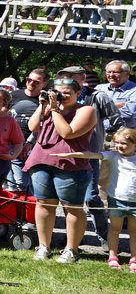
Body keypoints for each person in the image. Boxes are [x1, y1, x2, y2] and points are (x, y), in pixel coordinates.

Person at [25, 78, 97, 263]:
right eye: (58, 92)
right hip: (42, 161)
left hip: (71, 165)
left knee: (71, 207)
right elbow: (33, 127)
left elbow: (67, 132)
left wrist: (55, 109)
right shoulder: (50, 108)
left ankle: (71, 249)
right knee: (43, 204)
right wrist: (42, 106)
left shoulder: (86, 110)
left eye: (66, 93)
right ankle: (43, 247)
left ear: (78, 93)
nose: (61, 96)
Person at [51, 127, 136, 273]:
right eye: (116, 143)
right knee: (115, 229)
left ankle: (134, 258)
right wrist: (71, 154)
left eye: (123, 143)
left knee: (134, 232)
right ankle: (113, 256)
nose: (118, 146)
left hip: (134, 202)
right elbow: (92, 154)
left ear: (135, 144)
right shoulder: (113, 156)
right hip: (116, 200)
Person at [57, 65, 124, 249]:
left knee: (92, 197)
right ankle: (74, 240)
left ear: (82, 77)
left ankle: (104, 238)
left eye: (71, 76)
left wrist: (105, 135)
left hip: (89, 154)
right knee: (67, 199)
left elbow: (117, 119)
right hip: (64, 153)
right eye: (64, 77)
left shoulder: (97, 96)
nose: (67, 80)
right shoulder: (60, 97)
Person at [7, 68, 50, 193]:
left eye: (36, 82)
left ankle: (29, 208)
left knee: (27, 182)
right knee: (10, 184)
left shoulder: (45, 100)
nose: (31, 83)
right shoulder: (14, 95)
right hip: (9, 143)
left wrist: (30, 142)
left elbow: (45, 123)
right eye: (28, 79)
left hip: (33, 145)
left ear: (44, 84)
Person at [96, 60, 136, 129]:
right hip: (99, 133)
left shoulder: (134, 90)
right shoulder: (99, 88)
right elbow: (90, 108)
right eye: (109, 72)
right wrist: (115, 106)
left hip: (122, 135)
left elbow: (128, 114)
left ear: (127, 74)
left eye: (116, 72)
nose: (111, 75)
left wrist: (101, 110)